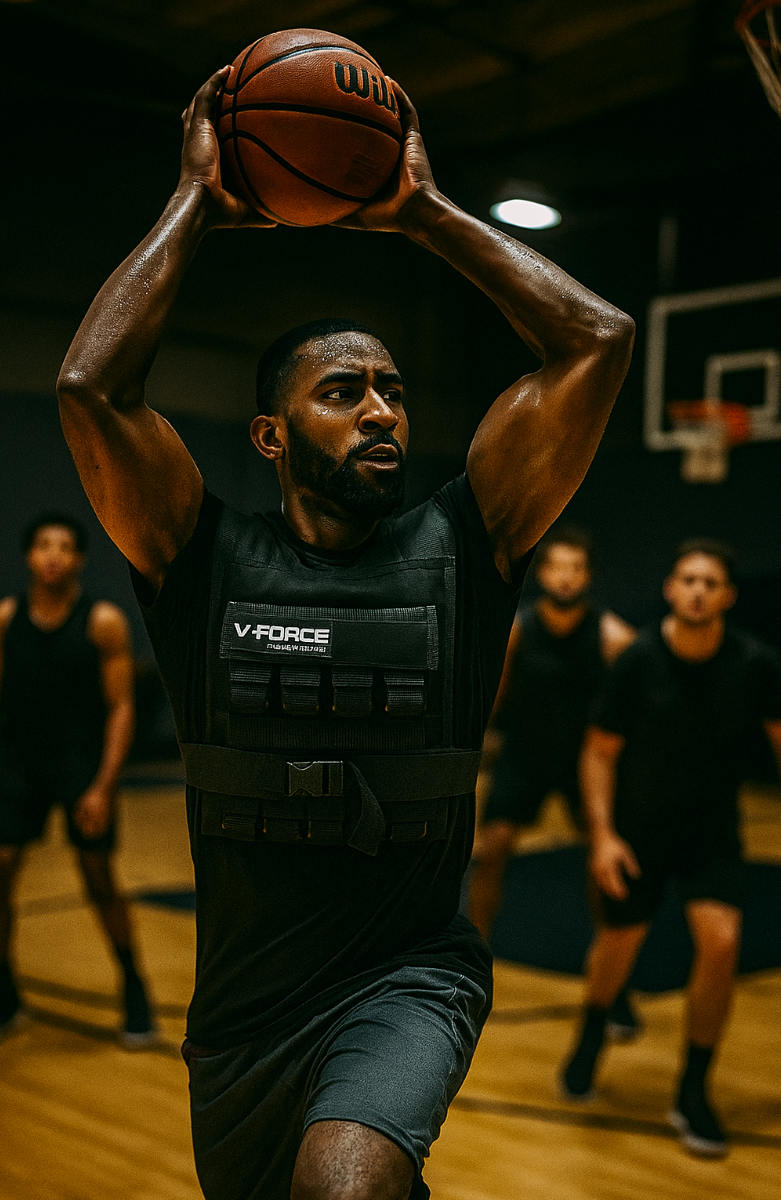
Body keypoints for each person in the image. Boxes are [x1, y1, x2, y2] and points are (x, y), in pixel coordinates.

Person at [56, 64, 634, 1200]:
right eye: (341, 392)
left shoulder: (469, 540)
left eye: (392, 390)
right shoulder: (196, 555)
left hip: (408, 978)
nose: (380, 409)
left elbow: (596, 343)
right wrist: (195, 200)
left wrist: (424, 213)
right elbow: (90, 391)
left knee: (344, 1185)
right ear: (270, 435)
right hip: (242, 1013)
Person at [559, 539, 781, 1159]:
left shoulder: (754, 663)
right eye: (688, 579)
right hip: (639, 829)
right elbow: (599, 752)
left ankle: (693, 1089)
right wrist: (603, 837)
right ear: (670, 589)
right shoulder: (638, 661)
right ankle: (591, 1032)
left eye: (710, 582)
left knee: (722, 944)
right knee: (619, 945)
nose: (698, 591)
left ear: (728, 596)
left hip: (711, 829)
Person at [468, 525, 639, 1038]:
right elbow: (494, 697)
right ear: (542, 573)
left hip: (582, 762)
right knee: (492, 850)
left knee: (604, 865)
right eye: (556, 566)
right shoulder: (519, 631)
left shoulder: (613, 637)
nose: (565, 577)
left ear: (588, 576)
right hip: (524, 755)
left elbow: (632, 714)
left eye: (575, 568)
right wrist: (475, 750)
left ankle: (613, 987)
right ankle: (468, 972)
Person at [0, 513, 156, 1046]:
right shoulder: (7, 618)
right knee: (2, 869)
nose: (53, 554)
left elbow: (121, 707)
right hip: (18, 764)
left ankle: (134, 987)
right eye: (44, 544)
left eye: (64, 546)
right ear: (29, 557)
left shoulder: (102, 621)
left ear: (79, 559)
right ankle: (4, 991)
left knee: (98, 877)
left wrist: (103, 787)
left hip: (80, 765)